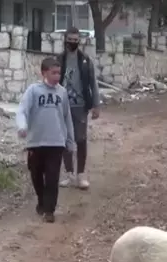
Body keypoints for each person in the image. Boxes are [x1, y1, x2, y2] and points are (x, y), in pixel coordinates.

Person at [16, 57, 75, 223]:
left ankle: (49, 210)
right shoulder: (34, 91)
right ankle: (41, 200)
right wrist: (22, 126)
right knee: (36, 174)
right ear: (44, 73)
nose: (57, 76)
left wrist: (70, 141)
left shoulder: (62, 92)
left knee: (52, 177)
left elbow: (67, 118)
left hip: (56, 142)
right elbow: (22, 110)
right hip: (36, 142)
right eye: (53, 72)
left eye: (59, 73)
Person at [57, 27, 101, 189]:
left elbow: (93, 84)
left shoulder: (85, 61)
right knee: (65, 140)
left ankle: (81, 175)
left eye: (76, 40)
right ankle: (69, 174)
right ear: (65, 39)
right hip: (62, 106)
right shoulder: (59, 60)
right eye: (70, 39)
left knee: (81, 140)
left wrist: (96, 105)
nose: (73, 43)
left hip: (80, 106)